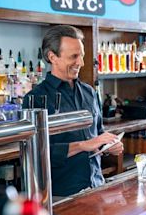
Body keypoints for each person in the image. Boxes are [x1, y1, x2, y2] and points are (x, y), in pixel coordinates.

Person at [23, 25, 123, 197]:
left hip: (96, 187)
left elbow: (97, 133)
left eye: (82, 56)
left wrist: (107, 145)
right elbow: (36, 154)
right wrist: (83, 145)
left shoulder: (89, 92)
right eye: (74, 56)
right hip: (60, 195)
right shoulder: (36, 98)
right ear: (52, 57)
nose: (81, 63)